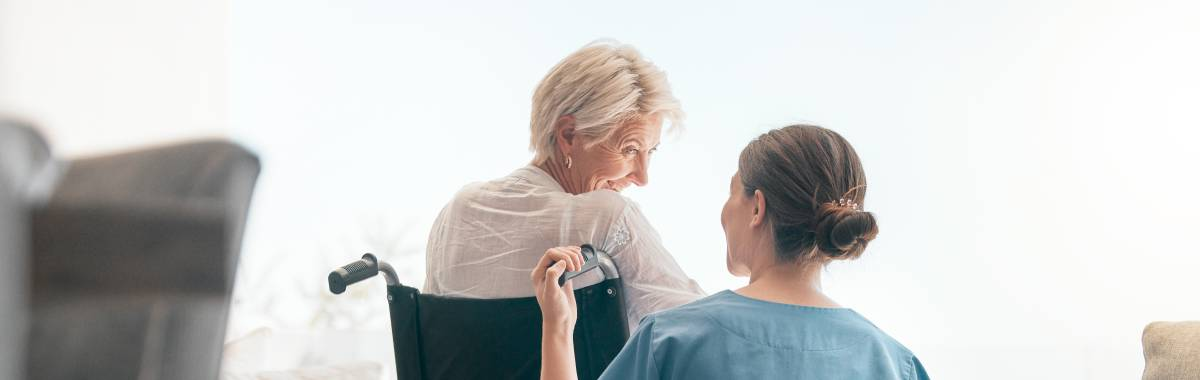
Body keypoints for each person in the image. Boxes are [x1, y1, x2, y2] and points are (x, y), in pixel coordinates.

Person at [533, 125, 930, 379]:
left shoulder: (671, 340)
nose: (724, 211)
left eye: (731, 192)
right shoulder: (896, 364)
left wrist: (558, 329)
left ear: (757, 208)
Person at [424, 40, 705, 329]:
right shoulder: (606, 217)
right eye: (630, 149)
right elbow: (703, 333)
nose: (642, 177)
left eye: (651, 151)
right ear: (569, 135)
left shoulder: (456, 213)